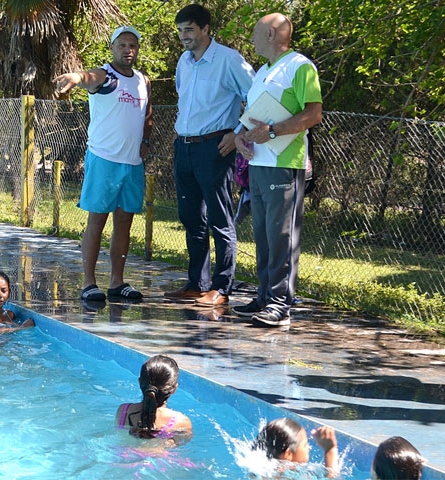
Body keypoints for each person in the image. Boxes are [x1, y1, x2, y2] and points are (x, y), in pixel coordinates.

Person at [232, 13, 322, 327]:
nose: (252, 39)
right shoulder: (262, 72)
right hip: (258, 164)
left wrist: (272, 132)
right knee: (264, 235)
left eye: (256, 32)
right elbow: (255, 119)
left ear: (272, 33)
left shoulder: (300, 67)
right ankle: (263, 297)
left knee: (282, 236)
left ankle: (281, 304)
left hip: (285, 165)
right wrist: (242, 139)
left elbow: (313, 114)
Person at [53, 26, 153, 302]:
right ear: (112, 48)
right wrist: (75, 77)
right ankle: (88, 283)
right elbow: (88, 77)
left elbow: (146, 114)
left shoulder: (143, 81)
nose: (128, 50)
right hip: (104, 160)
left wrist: (145, 142)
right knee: (97, 221)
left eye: (132, 45)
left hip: (132, 163)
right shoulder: (106, 76)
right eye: (122, 45)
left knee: (124, 221)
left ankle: (117, 282)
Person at [163, 5, 255, 307]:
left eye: (188, 29)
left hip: (216, 148)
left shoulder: (229, 60)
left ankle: (221, 287)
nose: (183, 36)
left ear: (204, 29)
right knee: (191, 218)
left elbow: (256, 97)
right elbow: (184, 99)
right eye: (180, 31)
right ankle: (197, 283)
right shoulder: (184, 62)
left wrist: (237, 131)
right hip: (185, 147)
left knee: (219, 218)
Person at [115, 355, 192, 440]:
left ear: (140, 383)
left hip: (121, 452)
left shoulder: (123, 411)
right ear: (174, 389)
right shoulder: (181, 422)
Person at [252, 418, 338, 476]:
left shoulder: (262, 473)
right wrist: (330, 450)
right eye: (305, 445)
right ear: (288, 454)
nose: (309, 448)